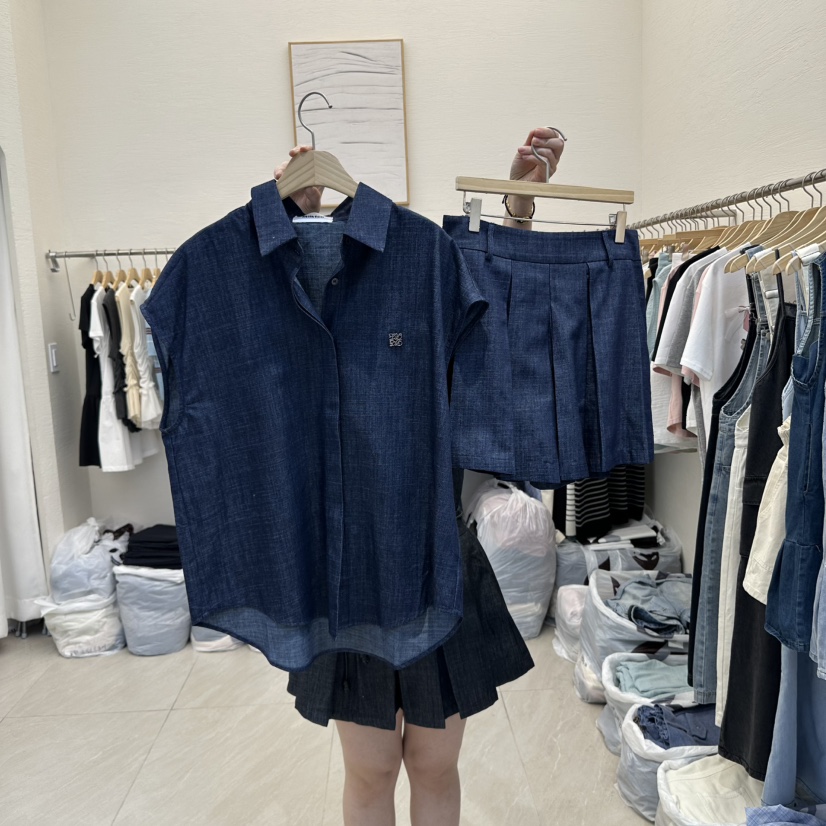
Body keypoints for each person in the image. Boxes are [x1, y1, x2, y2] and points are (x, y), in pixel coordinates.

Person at [274, 127, 565, 826]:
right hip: (345, 574)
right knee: (370, 767)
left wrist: (518, 204)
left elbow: (495, 302)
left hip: (439, 559)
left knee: (435, 762)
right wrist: (289, 216)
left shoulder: (424, 276)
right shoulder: (293, 302)